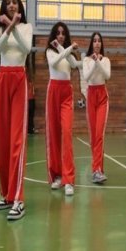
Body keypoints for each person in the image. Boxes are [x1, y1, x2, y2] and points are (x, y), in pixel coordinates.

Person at [0, 0, 32, 221]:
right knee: (4, 141)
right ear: (4, 7)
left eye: (15, 2)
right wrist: (7, 27)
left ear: (20, 6)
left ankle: (18, 199)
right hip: (2, 79)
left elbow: (26, 48)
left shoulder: (26, 27)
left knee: (17, 140)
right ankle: (7, 195)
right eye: (8, 3)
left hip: (19, 79)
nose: (12, 5)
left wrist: (14, 26)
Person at [45, 21, 81, 197]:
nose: (60, 36)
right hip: (53, 92)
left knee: (66, 133)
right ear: (54, 35)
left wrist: (67, 49)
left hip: (66, 93)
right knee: (54, 135)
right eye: (58, 33)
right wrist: (66, 48)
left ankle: (69, 179)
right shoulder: (50, 51)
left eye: (63, 33)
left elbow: (74, 65)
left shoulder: (66, 53)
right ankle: (57, 176)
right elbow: (54, 62)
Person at [83, 32, 111, 185]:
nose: (97, 43)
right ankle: (99, 169)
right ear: (91, 44)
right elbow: (87, 77)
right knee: (93, 136)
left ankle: (96, 170)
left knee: (99, 134)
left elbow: (107, 75)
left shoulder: (105, 60)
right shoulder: (86, 60)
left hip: (102, 97)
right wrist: (94, 62)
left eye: (99, 41)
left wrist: (99, 62)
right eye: (94, 41)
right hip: (91, 95)